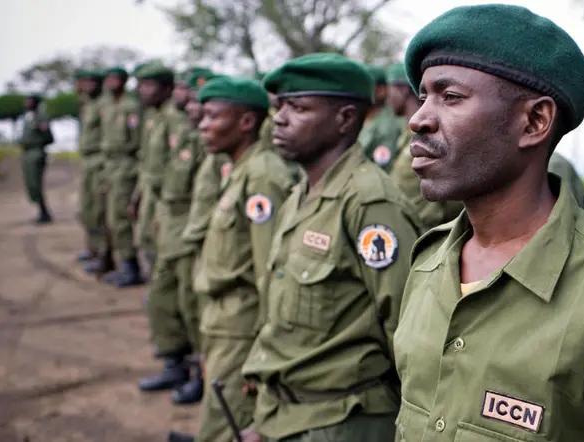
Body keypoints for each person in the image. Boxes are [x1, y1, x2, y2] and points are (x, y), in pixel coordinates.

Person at [392, 5, 584, 442]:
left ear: (534, 122)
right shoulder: (428, 263)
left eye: (450, 96)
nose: (418, 118)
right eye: (423, 96)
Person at [239, 53, 421, 442]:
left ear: (345, 119)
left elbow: (405, 332)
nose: (280, 119)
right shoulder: (300, 195)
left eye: (299, 107)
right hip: (287, 413)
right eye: (280, 107)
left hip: (342, 420)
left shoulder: (369, 203)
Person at [194, 76, 297, 442]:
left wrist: (261, 349)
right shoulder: (238, 169)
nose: (202, 125)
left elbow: (270, 270)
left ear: (246, 122)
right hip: (221, 320)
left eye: (212, 116)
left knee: (224, 429)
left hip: (241, 326)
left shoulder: (263, 175)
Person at [138, 69, 214, 407]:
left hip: (189, 230)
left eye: (198, 98)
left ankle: (202, 374)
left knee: (191, 305)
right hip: (170, 225)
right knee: (164, 298)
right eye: (186, 93)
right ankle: (176, 363)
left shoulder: (209, 140)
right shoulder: (181, 131)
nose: (191, 103)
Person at [387, 62, 464, 229]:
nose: (388, 96)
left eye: (391, 89)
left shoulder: (430, 137)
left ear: (403, 90)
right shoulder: (405, 134)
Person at [130, 62, 188, 279]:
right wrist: (138, 193)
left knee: (164, 245)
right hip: (150, 192)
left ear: (166, 88)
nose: (141, 90)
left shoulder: (175, 119)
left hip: (167, 198)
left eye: (148, 85)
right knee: (146, 239)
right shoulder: (153, 117)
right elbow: (147, 162)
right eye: (140, 85)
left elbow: (180, 166)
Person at [100, 66, 144, 287]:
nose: (110, 82)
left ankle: (131, 266)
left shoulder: (130, 106)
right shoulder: (108, 106)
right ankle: (123, 262)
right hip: (110, 164)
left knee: (121, 217)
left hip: (126, 165)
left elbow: (138, 140)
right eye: (108, 78)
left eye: (115, 78)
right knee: (111, 217)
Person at [73, 69, 109, 265]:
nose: (83, 87)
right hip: (87, 161)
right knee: (86, 208)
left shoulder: (105, 105)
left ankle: (103, 253)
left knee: (99, 209)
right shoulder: (87, 104)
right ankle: (93, 249)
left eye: (88, 82)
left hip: (99, 161)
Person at [18, 93, 54, 224]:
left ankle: (44, 213)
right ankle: (42, 211)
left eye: (29, 100)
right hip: (27, 153)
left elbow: (49, 137)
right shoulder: (27, 116)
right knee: (31, 184)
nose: (26, 103)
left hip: (36, 152)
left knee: (35, 184)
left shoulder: (40, 116)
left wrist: (40, 138)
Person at [358, 64, 403, 170]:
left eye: (366, 86)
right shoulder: (362, 116)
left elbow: (383, 165)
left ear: (382, 90)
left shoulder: (386, 125)